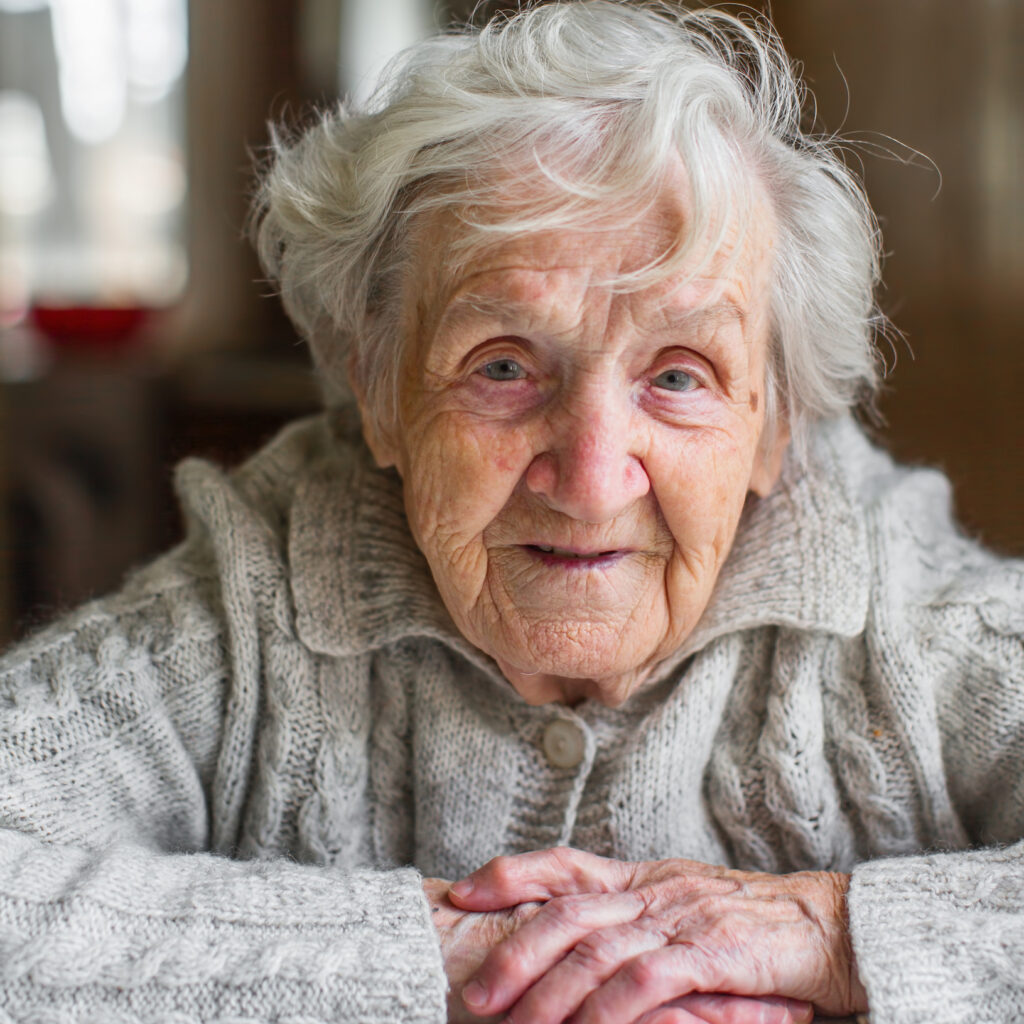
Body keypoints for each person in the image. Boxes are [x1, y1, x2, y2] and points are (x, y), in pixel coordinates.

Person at [0, 2, 1021, 1022]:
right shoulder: (258, 603)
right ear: (381, 393)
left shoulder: (901, 611)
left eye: (676, 374)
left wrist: (832, 933)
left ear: (773, 428)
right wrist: (448, 951)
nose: (587, 476)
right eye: (502, 365)